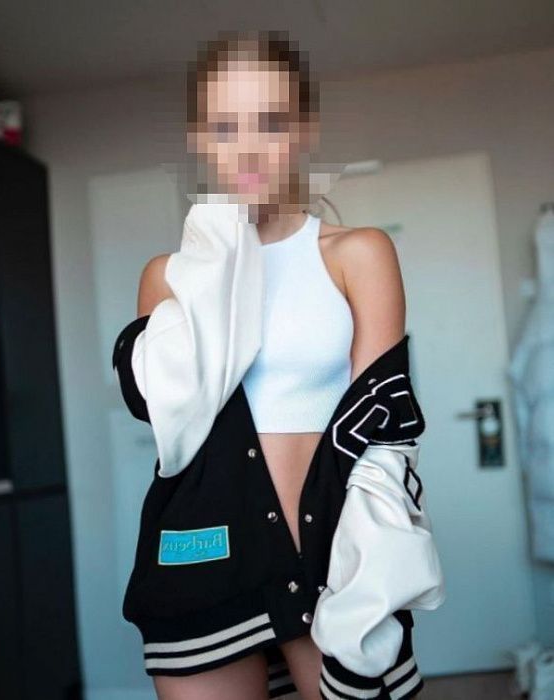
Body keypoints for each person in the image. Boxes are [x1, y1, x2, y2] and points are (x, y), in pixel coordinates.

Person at [116, 29, 432, 700]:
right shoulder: (167, 277)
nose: (249, 149)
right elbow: (165, 418)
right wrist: (216, 248)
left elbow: (382, 435)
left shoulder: (357, 253)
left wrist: (371, 569)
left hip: (330, 560)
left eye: (271, 122)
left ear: (304, 130)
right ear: (200, 139)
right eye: (225, 127)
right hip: (203, 557)